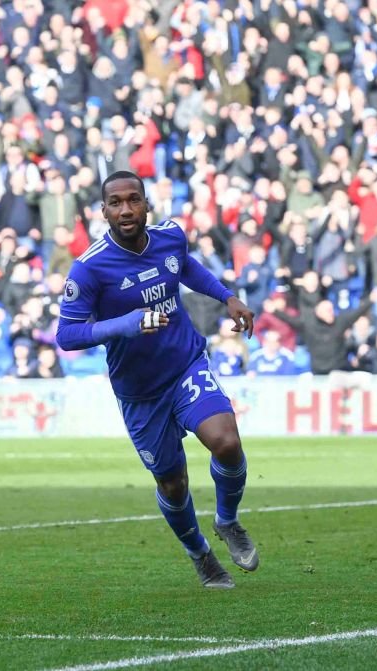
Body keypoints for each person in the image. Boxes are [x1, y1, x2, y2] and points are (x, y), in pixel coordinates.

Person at [55, 171, 258, 589]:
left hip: (185, 363)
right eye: (116, 203)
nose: (126, 210)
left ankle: (228, 520)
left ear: (147, 203)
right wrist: (124, 324)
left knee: (227, 440)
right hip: (140, 391)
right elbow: (67, 335)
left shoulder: (169, 236)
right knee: (173, 481)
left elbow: (185, 268)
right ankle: (200, 554)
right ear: (103, 211)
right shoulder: (89, 269)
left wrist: (226, 295)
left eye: (134, 200)